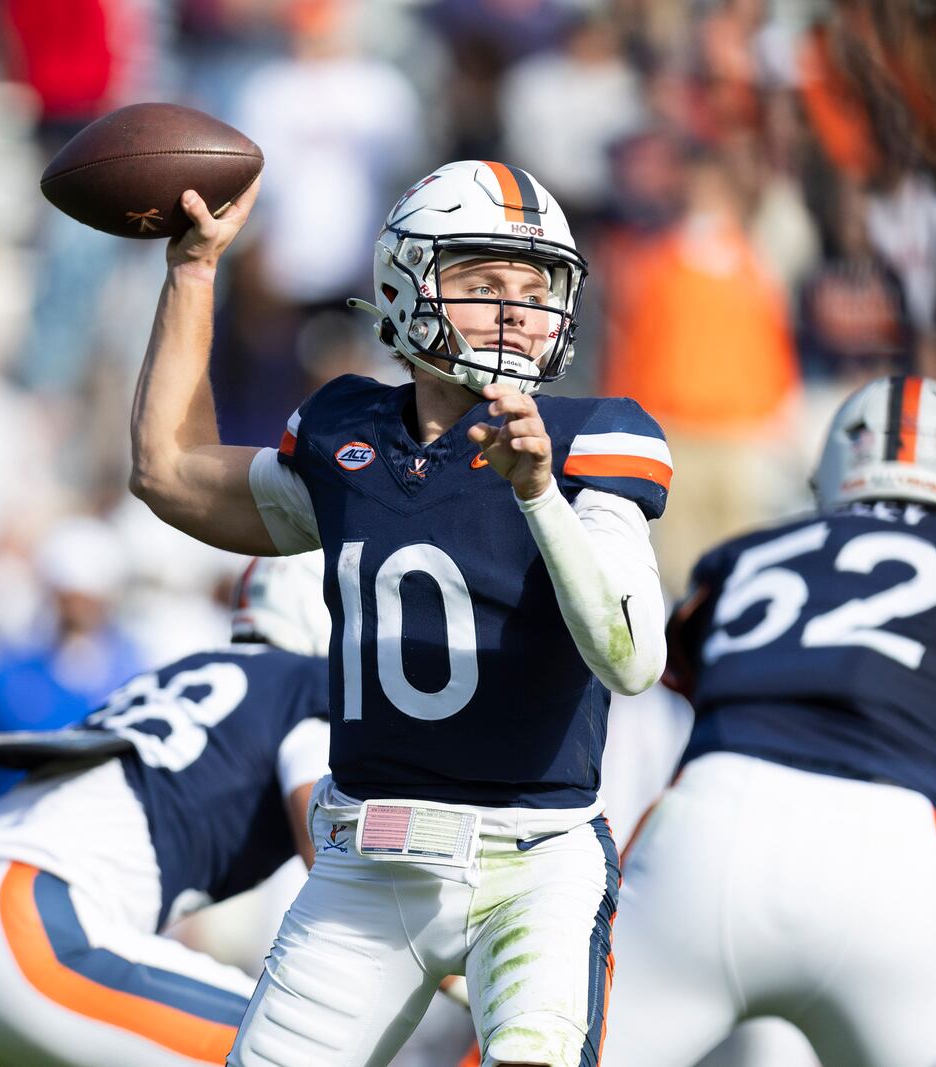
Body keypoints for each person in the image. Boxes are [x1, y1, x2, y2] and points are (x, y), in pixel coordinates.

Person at [127, 159, 670, 1067]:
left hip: (534, 857)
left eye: (533, 289)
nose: (514, 310)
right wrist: (193, 273)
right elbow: (169, 473)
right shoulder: (347, 432)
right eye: (481, 282)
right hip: (364, 865)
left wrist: (539, 493)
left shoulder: (593, 439)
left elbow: (629, 659)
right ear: (403, 285)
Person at [601, 374, 936, 1067]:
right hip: (896, 867)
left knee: (540, 1047)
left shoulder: (746, 555)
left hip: (709, 831)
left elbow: (685, 675)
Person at [0, 554, 333, 1067]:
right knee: (303, 1046)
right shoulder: (311, 690)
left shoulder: (183, 670)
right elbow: (332, 854)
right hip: (27, 925)